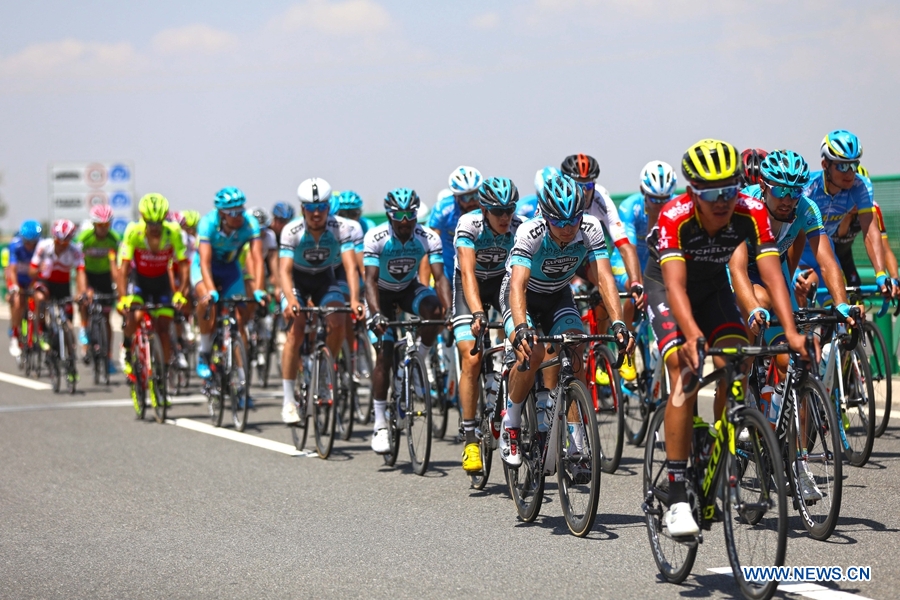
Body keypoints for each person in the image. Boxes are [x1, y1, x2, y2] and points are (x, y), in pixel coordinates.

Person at [645, 139, 806, 537]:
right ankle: (677, 497)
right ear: (692, 192)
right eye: (711, 194)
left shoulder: (751, 210)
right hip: (667, 287)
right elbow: (676, 287)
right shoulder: (675, 216)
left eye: (729, 191)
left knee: (739, 359)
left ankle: (718, 447)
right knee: (684, 371)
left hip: (713, 288)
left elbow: (772, 272)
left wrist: (790, 331)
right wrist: (692, 336)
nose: (721, 202)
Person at [728, 149, 853, 502]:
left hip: (773, 270)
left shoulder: (805, 208)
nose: (788, 199)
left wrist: (841, 304)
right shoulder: (744, 206)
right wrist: (752, 309)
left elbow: (827, 260)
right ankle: (742, 401)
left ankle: (798, 465)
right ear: (764, 186)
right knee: (758, 313)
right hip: (739, 271)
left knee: (793, 364)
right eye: (781, 191)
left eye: (795, 191)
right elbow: (737, 268)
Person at [500, 174, 633, 468]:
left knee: (575, 346)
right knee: (531, 352)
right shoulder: (530, 232)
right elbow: (518, 284)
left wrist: (619, 324)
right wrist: (521, 328)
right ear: (545, 217)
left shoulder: (591, 228)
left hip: (557, 295)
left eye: (574, 219)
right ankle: (510, 423)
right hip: (521, 295)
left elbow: (604, 278)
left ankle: (576, 442)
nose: (568, 228)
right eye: (559, 222)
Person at [365, 188, 451, 454]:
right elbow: (369, 280)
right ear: (390, 216)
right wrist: (376, 313)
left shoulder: (428, 237)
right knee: (384, 354)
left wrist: (448, 310)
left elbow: (440, 276)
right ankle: (380, 424)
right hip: (380, 294)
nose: (405, 221)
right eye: (399, 216)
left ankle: (417, 362)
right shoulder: (376, 237)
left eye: (410, 215)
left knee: (435, 312)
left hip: (407, 289)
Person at [278, 178, 364, 424]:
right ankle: (288, 401)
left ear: (328, 207)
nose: (316, 213)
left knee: (339, 321)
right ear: (302, 208)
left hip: (325, 279)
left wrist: (355, 299)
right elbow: (284, 270)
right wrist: (291, 299)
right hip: (297, 281)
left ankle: (325, 372)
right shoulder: (291, 231)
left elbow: (350, 267)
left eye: (321, 207)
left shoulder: (341, 228)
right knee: (296, 330)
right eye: (310, 208)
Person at [452, 177, 523, 473]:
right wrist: (478, 313)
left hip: (500, 284)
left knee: (521, 343)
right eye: (498, 211)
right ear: (484, 210)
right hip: (469, 287)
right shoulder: (469, 225)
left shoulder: (520, 227)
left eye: (509, 209)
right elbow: (467, 273)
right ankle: (470, 438)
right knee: (472, 357)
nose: (505, 217)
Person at [560, 153, 644, 381]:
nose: (584, 191)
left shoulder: (601, 200)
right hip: (558, 256)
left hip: (585, 256)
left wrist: (636, 283)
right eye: (578, 185)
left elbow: (625, 246)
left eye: (588, 185)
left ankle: (599, 351)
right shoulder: (555, 198)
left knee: (606, 289)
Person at [796, 129, 891, 299]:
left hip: (826, 250)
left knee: (841, 307)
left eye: (854, 165)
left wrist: (880, 274)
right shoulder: (807, 188)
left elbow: (870, 230)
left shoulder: (860, 186)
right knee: (801, 300)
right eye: (842, 166)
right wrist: (793, 270)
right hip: (796, 251)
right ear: (825, 165)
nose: (850, 173)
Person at [192, 187, 267, 380]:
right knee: (207, 302)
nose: (238, 216)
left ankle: (242, 378)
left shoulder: (249, 224)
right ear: (221, 214)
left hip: (229, 269)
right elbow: (205, 263)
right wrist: (210, 290)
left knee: (239, 320)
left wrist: (259, 289)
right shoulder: (207, 224)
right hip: (205, 267)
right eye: (233, 213)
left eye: (241, 210)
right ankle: (204, 351)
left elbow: (258, 259)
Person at [117, 193, 190, 381]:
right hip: (139, 282)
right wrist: (122, 297)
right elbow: (123, 268)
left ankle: (163, 374)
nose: (155, 227)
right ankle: (127, 348)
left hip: (161, 282)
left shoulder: (173, 232)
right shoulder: (133, 231)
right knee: (135, 316)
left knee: (164, 328)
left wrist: (181, 293)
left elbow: (183, 265)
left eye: (159, 223)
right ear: (143, 218)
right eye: (150, 223)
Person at [29, 219, 87, 358]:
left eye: (65, 243)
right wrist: (39, 269)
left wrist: (81, 292)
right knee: (40, 298)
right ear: (53, 237)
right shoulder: (43, 246)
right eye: (58, 241)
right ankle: (42, 330)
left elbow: (80, 272)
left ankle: (71, 358)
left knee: (68, 325)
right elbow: (31, 271)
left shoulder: (74, 250)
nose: (61, 245)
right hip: (45, 282)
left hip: (63, 286)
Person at [75, 204, 120, 369]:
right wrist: (84, 290)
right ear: (94, 224)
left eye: (106, 225)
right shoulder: (85, 239)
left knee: (107, 318)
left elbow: (115, 266)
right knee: (84, 301)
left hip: (105, 277)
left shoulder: (114, 239)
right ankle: (84, 327)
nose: (103, 228)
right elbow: (79, 267)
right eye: (100, 225)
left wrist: (118, 288)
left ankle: (108, 357)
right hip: (88, 275)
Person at [428, 166, 483, 279]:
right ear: (456, 197)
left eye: (475, 195)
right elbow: (430, 244)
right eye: (466, 197)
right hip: (449, 266)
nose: (472, 202)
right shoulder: (442, 209)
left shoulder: (487, 207)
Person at [6, 220, 42, 357]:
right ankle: (15, 335)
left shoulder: (42, 246)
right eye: (27, 242)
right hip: (18, 279)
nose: (30, 245)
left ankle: (39, 329)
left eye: (33, 242)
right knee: (17, 302)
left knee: (39, 300)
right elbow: (12, 270)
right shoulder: (15, 246)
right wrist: (14, 286)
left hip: (32, 279)